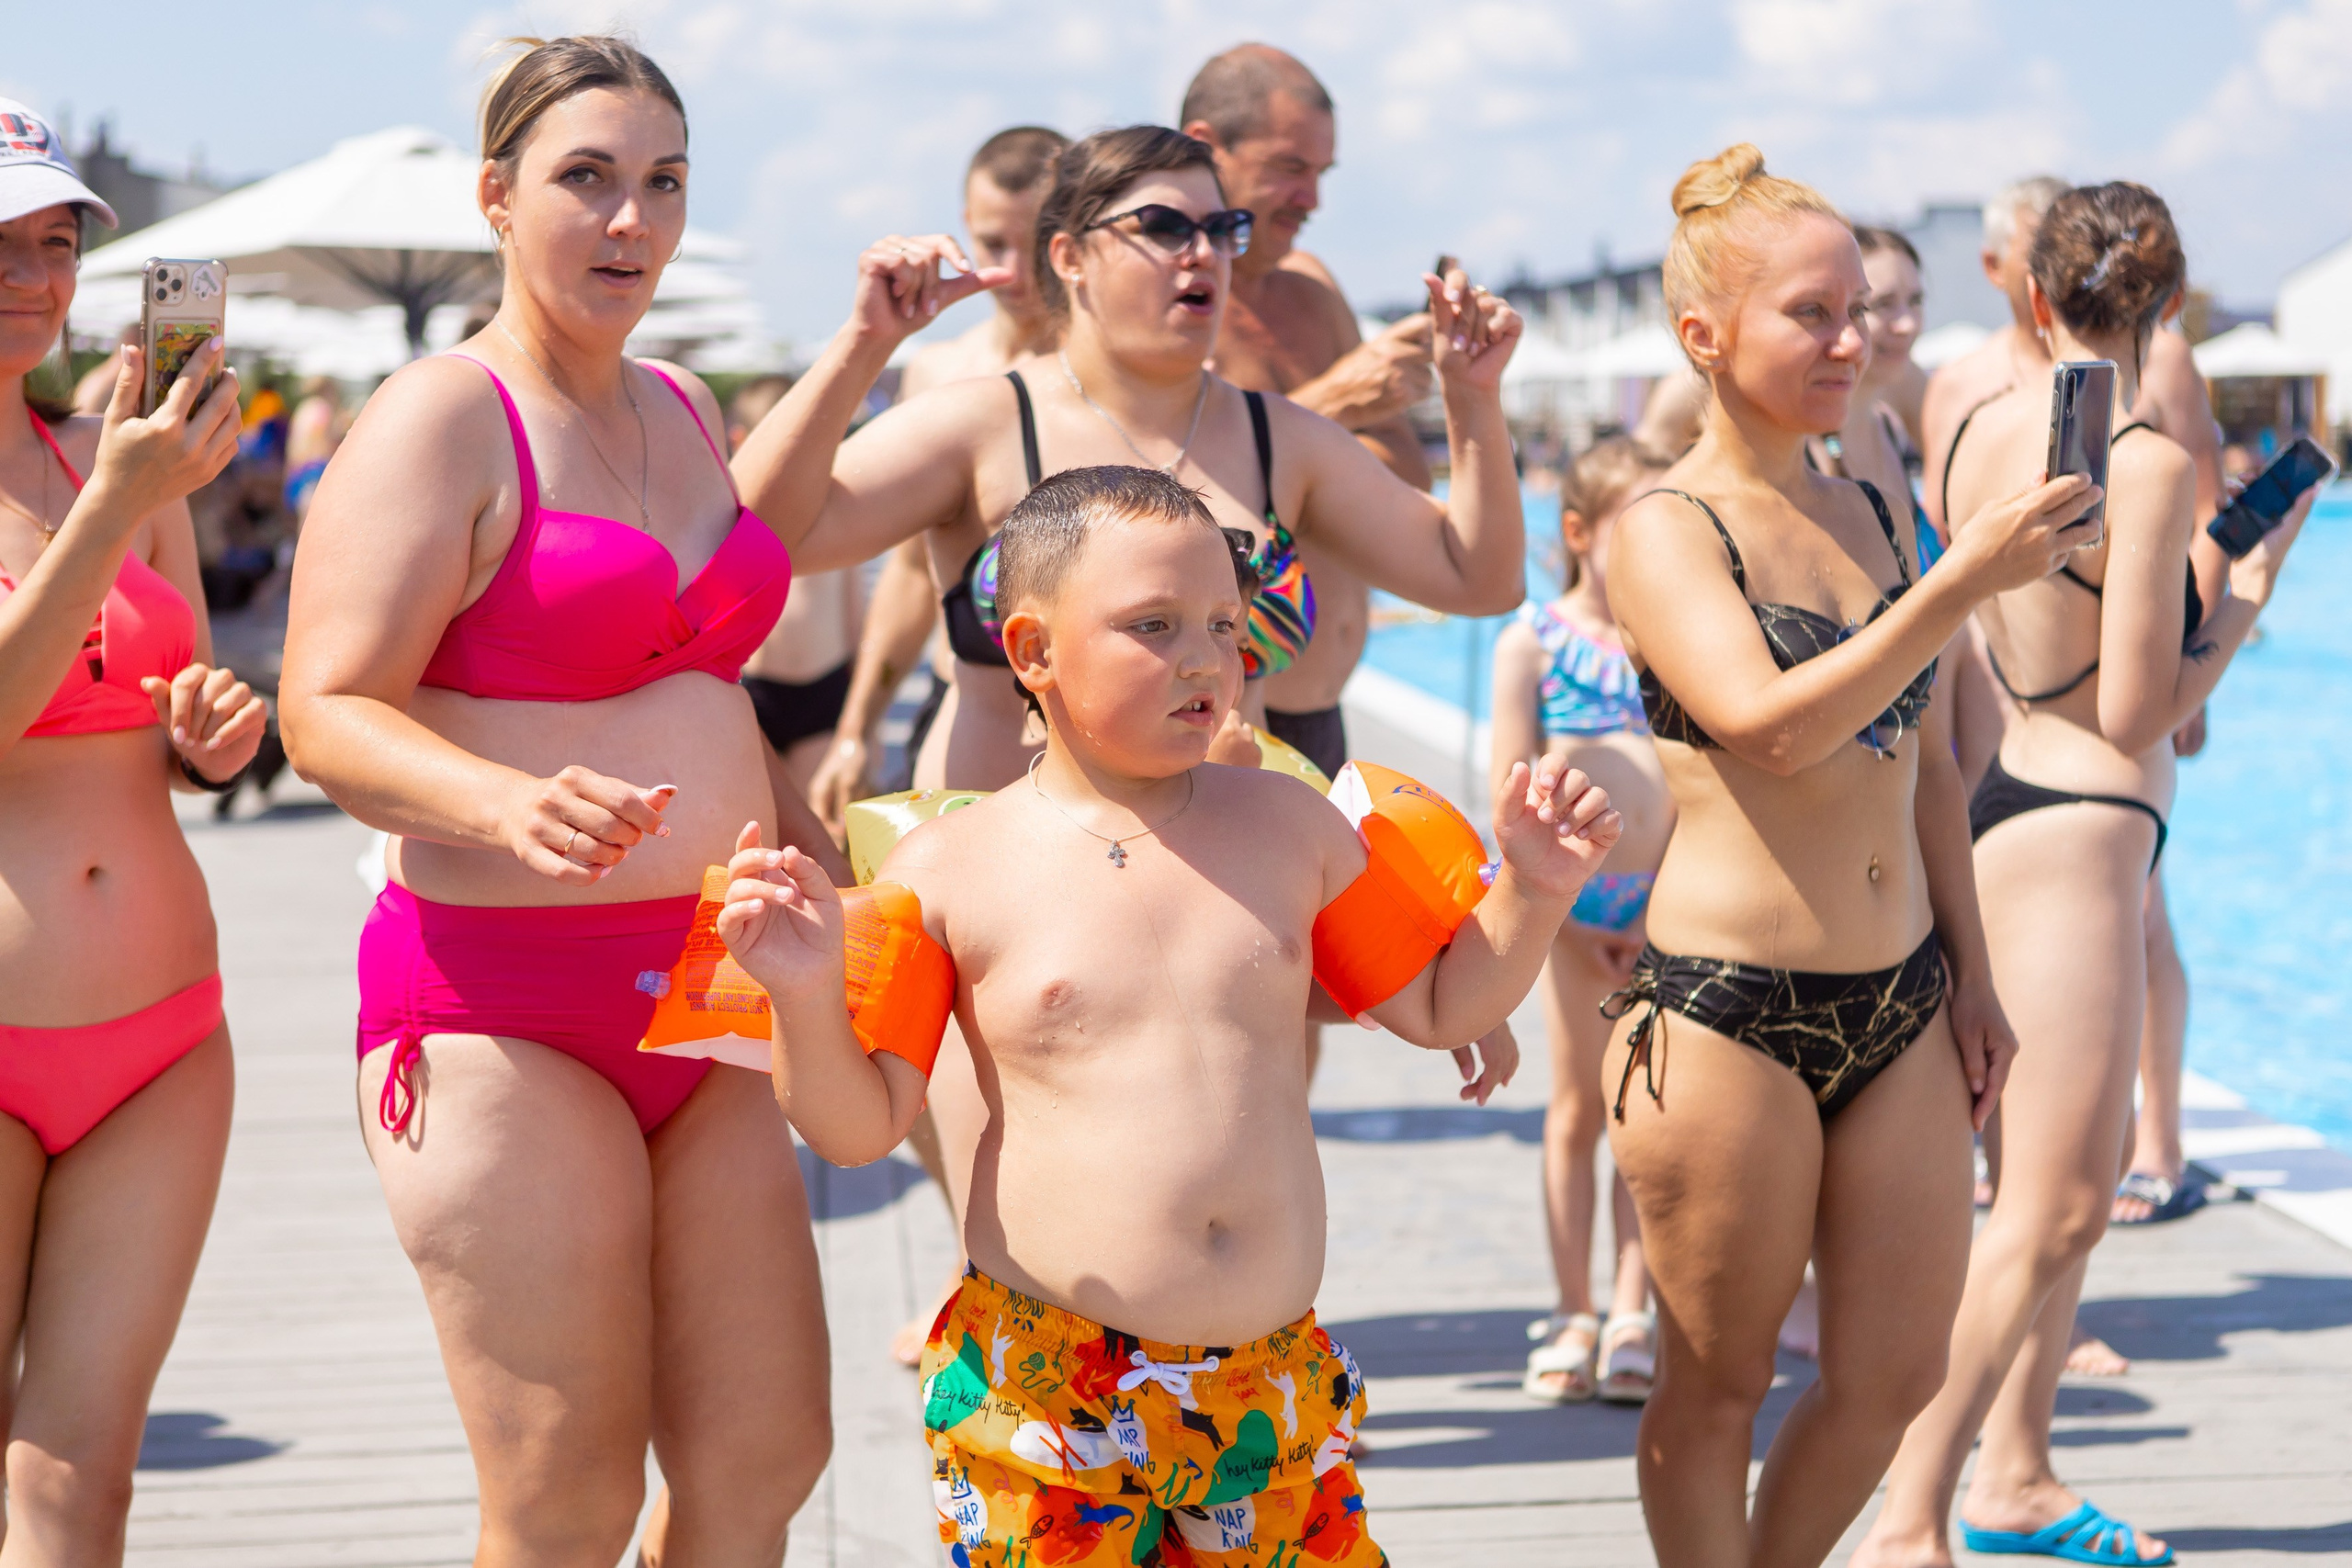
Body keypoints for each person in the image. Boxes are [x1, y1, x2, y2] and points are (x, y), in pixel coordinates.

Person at [277, 37, 1003, 1562]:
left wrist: (863, 343)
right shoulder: (441, 416)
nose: (632, 220)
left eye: (663, 182)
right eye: (587, 179)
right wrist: (496, 803)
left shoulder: (674, 403)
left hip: (714, 987)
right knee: (566, 1498)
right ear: (497, 195)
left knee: (765, 1458)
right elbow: (323, 709)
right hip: (501, 1013)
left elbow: (726, 585)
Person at [712, 463, 1619, 1565]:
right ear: (1032, 650)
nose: (1205, 659)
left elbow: (1437, 1005)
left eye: (1224, 627)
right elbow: (856, 1130)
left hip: (1267, 1382)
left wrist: (1535, 888)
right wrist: (806, 995)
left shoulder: (1293, 826)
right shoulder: (947, 868)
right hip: (1049, 1383)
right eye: (1154, 625)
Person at [1599, 144, 2098, 1568]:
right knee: (1719, 1382)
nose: (1851, 340)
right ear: (1704, 334)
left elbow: (1924, 762)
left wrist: (1975, 975)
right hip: (1723, 1014)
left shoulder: (1871, 507)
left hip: (1903, 998)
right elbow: (1769, 727)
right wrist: (1958, 583)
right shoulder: (1664, 527)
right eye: (1811, 313)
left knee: (1894, 1375)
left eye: (1860, 311)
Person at [1857, 182, 2309, 1568]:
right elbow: (2136, 709)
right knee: (2056, 1203)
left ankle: (2019, 1471)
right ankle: (1910, 1517)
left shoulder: (1971, 430)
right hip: (2087, 819)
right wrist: (2243, 597)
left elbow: (2044, 627)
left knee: (2055, 1181)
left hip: (2012, 800)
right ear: (2165, 307)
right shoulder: (2146, 456)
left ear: (2031, 297)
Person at [741, 123, 1526, 797]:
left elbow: (1479, 579)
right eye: (1164, 226)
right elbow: (751, 535)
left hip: (1221, 882)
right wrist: (863, 342)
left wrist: (1472, 397)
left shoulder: (1280, 438)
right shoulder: (985, 423)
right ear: (1070, 256)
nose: (1203, 252)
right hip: (1005, 889)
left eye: (1221, 228)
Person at [0, 105, 260, 1559]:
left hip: (165, 1035)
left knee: (84, 1477)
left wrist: (211, 738)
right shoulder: (124, 475)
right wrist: (114, 498)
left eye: (56, 243)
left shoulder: (124, 459)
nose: (34, 278)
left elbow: (180, 698)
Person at [1179, 42, 1437, 782]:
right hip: (1230, 723)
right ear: (1207, 148)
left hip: (1324, 710)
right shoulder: (1176, 311)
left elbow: (1408, 478)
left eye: (1322, 173)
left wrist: (1303, 444)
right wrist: (1334, 406)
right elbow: (1169, 494)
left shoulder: (1313, 289)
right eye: (1290, 167)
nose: (1312, 199)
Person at [809, 125, 1069, 828]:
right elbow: (909, 573)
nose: (1013, 271)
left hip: (1093, 739)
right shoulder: (939, 371)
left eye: (1034, 243)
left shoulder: (1113, 381)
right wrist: (857, 727)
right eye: (993, 244)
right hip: (958, 713)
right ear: (964, 228)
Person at [1488, 434, 1667, 1405]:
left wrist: (1666, 911)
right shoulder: (1534, 641)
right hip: (1573, 909)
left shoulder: (1673, 634)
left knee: (1645, 1110)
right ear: (1579, 531)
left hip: (1665, 909)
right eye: (1634, 520)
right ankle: (1573, 1309)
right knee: (1575, 1109)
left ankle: (1633, 1306)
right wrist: (1558, 914)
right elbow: (1507, 793)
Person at [731, 372, 868, 813]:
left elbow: (855, 613)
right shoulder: (728, 506)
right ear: (740, 441)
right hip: (752, 687)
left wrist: (862, 722)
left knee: (820, 815)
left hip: (822, 685)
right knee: (759, 817)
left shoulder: (829, 507)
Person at [1810, 227, 1933, 562]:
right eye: (1882, 305)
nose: (1907, 325)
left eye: (1915, 301)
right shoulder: (1801, 449)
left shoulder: (1892, 427)